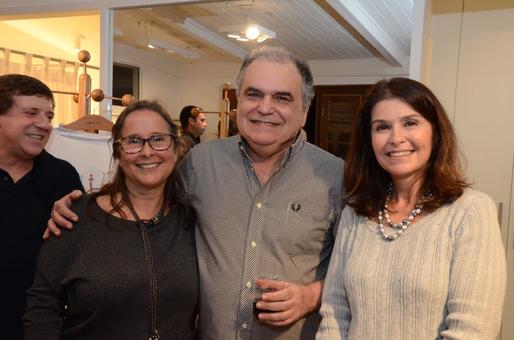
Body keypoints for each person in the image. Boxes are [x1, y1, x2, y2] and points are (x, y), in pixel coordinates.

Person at [47, 46, 344, 339]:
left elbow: (357, 268)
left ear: (304, 110)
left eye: (282, 97)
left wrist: (312, 295)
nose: (265, 107)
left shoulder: (336, 177)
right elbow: (144, 201)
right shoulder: (200, 162)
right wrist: (85, 208)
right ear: (238, 100)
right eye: (254, 94)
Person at [316, 77, 506, 339]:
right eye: (382, 127)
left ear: (435, 132)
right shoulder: (355, 213)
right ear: (369, 140)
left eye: (410, 123)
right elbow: (335, 314)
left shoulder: (470, 211)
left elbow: (473, 331)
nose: (396, 138)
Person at [24, 100, 198, 339]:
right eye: (134, 141)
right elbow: (43, 304)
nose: (147, 151)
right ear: (118, 151)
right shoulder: (76, 217)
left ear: (175, 146)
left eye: (158, 139)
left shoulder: (192, 219)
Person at [0, 74, 84, 340]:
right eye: (31, 113)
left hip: (41, 327)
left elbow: (81, 256)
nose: (44, 124)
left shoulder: (63, 177)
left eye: (48, 116)